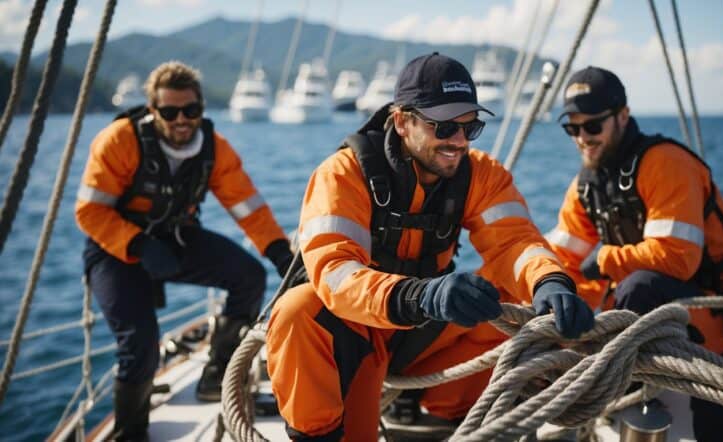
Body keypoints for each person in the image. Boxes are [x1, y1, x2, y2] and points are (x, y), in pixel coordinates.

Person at [265, 52, 595, 441]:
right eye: (443, 127)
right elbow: (336, 276)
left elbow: (514, 241)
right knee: (297, 310)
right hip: (355, 335)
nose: (458, 141)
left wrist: (551, 282)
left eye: (470, 127)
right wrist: (420, 296)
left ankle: (449, 406)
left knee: (513, 300)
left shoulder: (480, 175)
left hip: (422, 332)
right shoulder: (342, 175)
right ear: (403, 122)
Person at [75, 61, 293, 441]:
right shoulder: (118, 141)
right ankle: (131, 433)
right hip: (113, 248)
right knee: (140, 345)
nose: (181, 120)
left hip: (175, 238)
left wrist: (281, 255)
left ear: (201, 108)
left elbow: (249, 209)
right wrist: (139, 244)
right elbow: (90, 211)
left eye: (190, 111)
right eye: (170, 111)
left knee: (249, 277)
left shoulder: (214, 149)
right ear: (152, 110)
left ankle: (217, 376)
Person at [547, 65, 723, 441]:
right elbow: (562, 261)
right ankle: (619, 387)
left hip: (719, 307)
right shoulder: (586, 187)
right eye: (573, 128)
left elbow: (678, 257)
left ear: (623, 116)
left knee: (638, 286)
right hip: (655, 307)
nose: (583, 138)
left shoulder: (666, 163)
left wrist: (603, 259)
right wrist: (555, 307)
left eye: (593, 126)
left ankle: (633, 390)